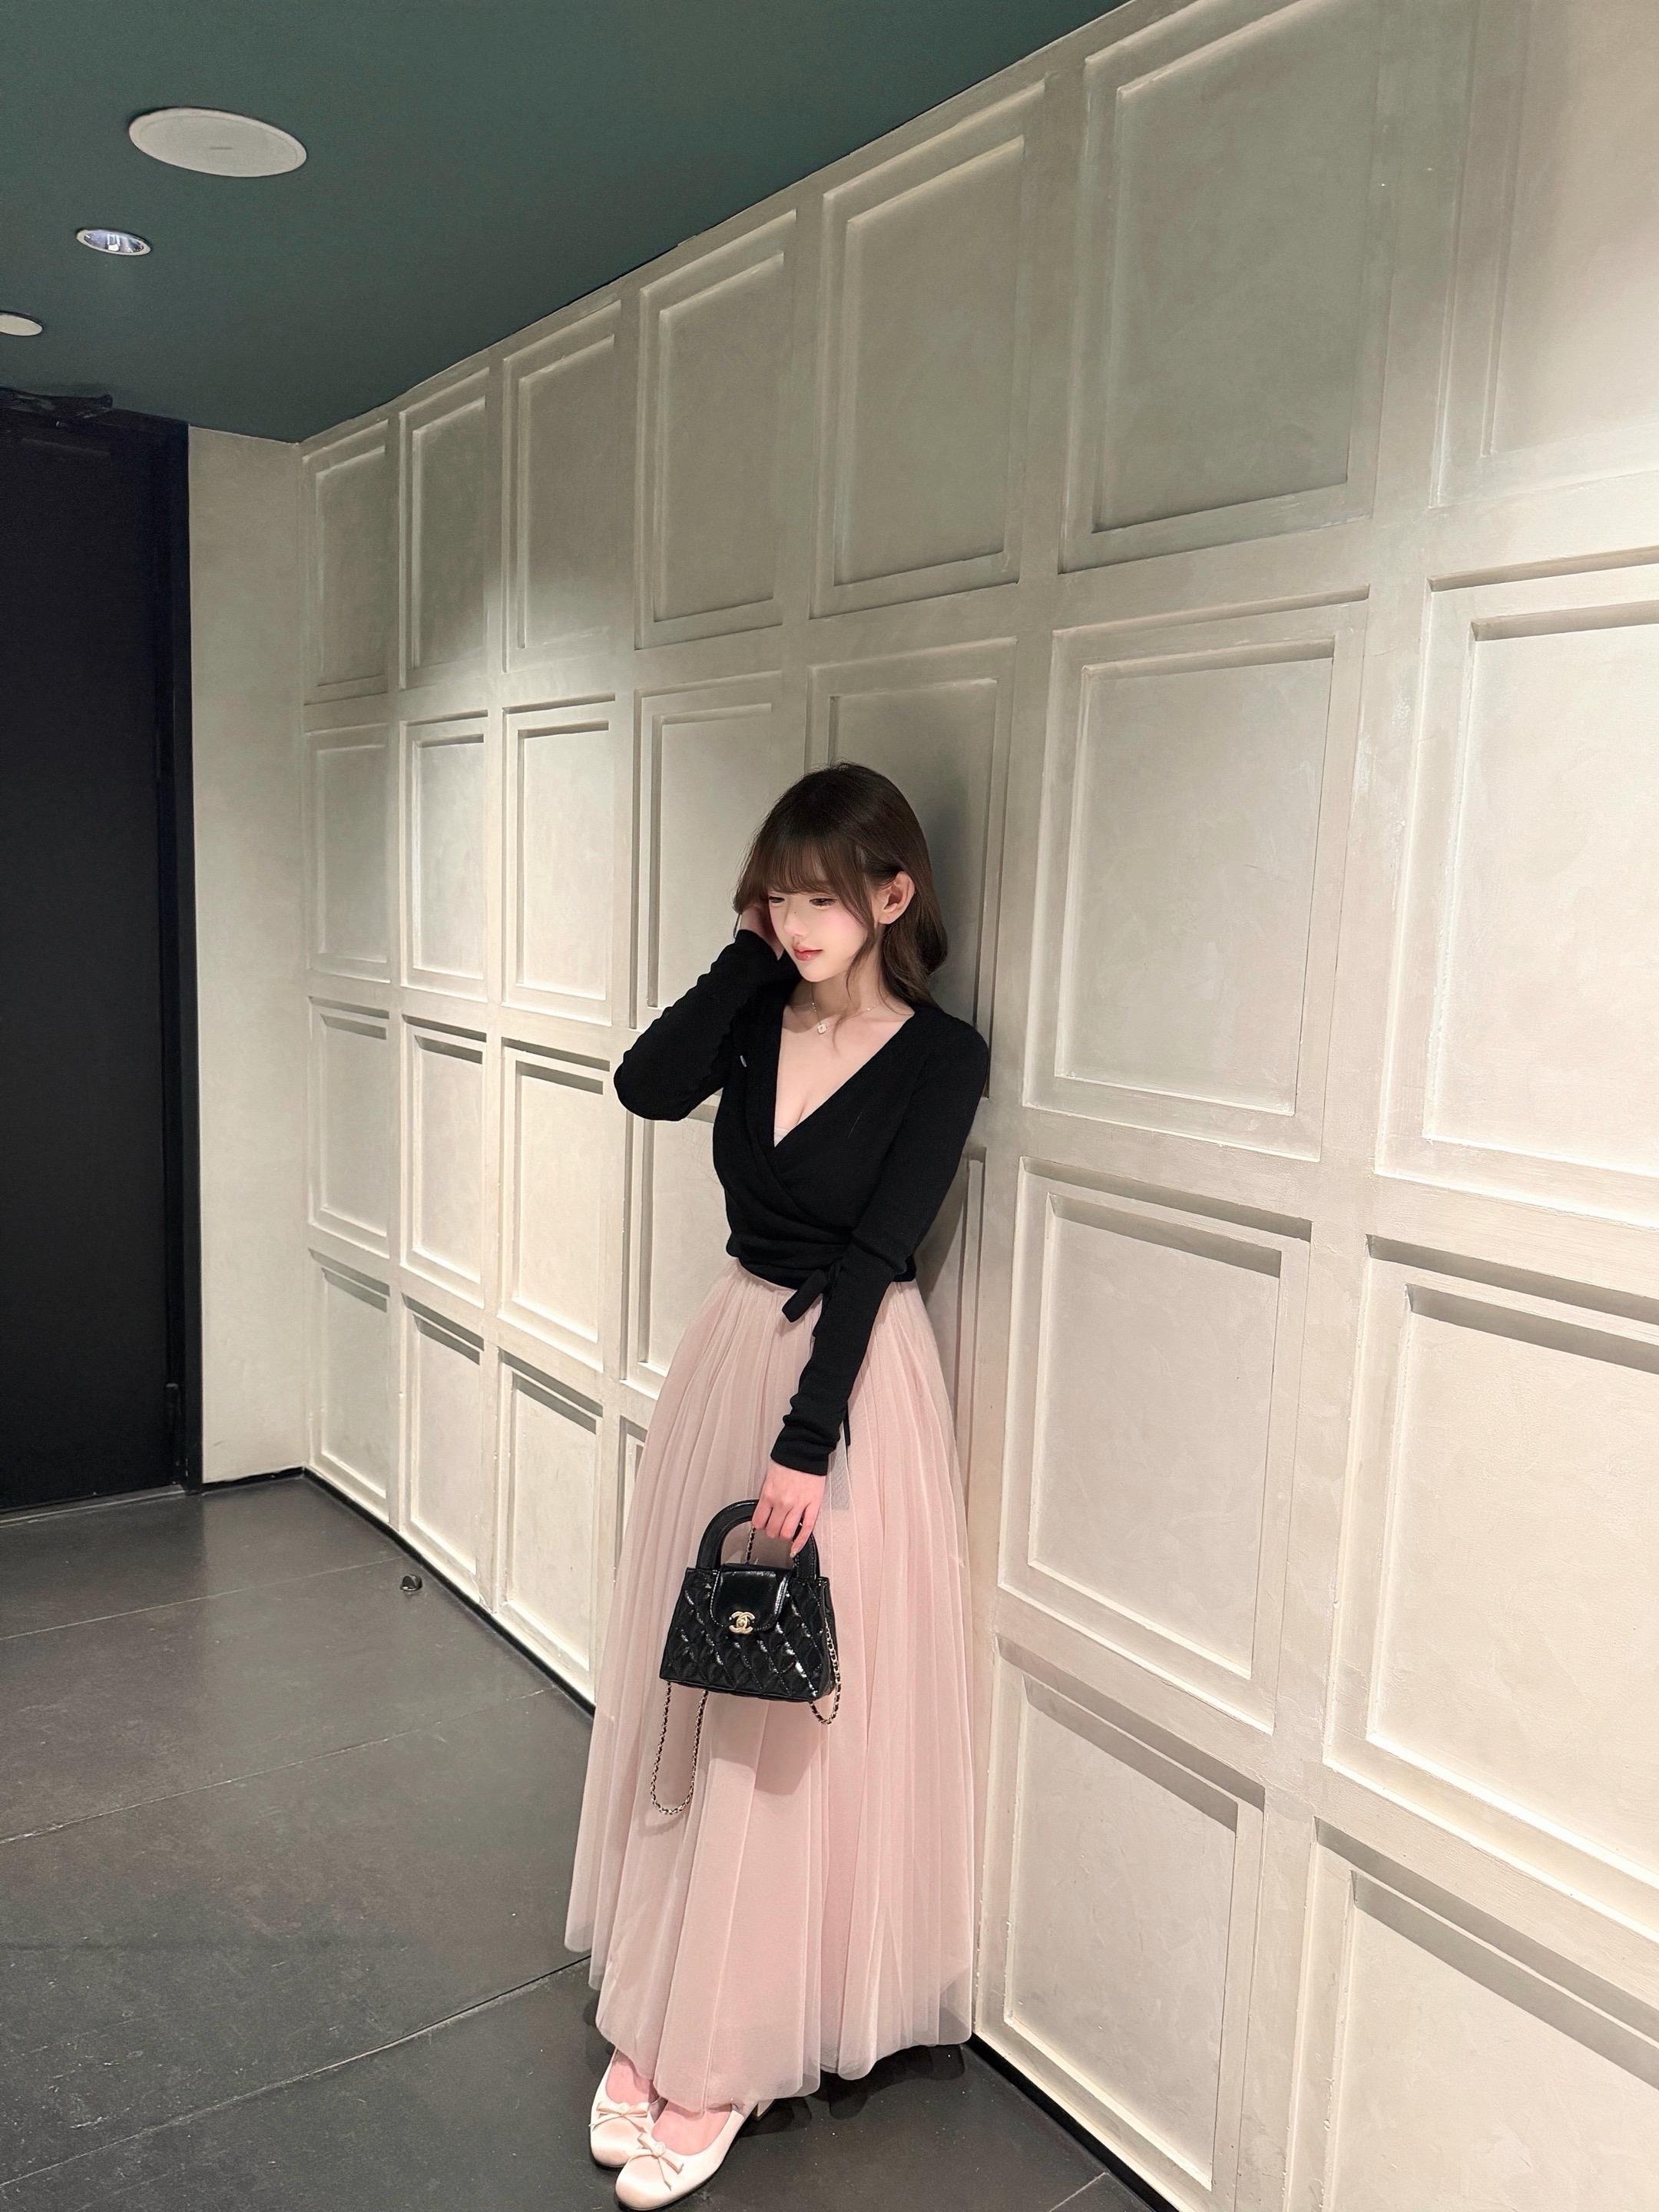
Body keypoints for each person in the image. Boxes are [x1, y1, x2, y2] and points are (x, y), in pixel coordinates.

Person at [565, 760, 989, 2206]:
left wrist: (806, 1445)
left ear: (895, 895)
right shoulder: (756, 1014)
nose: (796, 921)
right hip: (729, 1348)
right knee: (698, 1680)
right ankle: (665, 2000)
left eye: (821, 899)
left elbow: (877, 1254)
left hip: (847, 1388)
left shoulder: (941, 1057)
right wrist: (749, 963)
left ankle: (729, 2046)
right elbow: (645, 1085)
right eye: (776, 897)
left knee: (784, 1705)